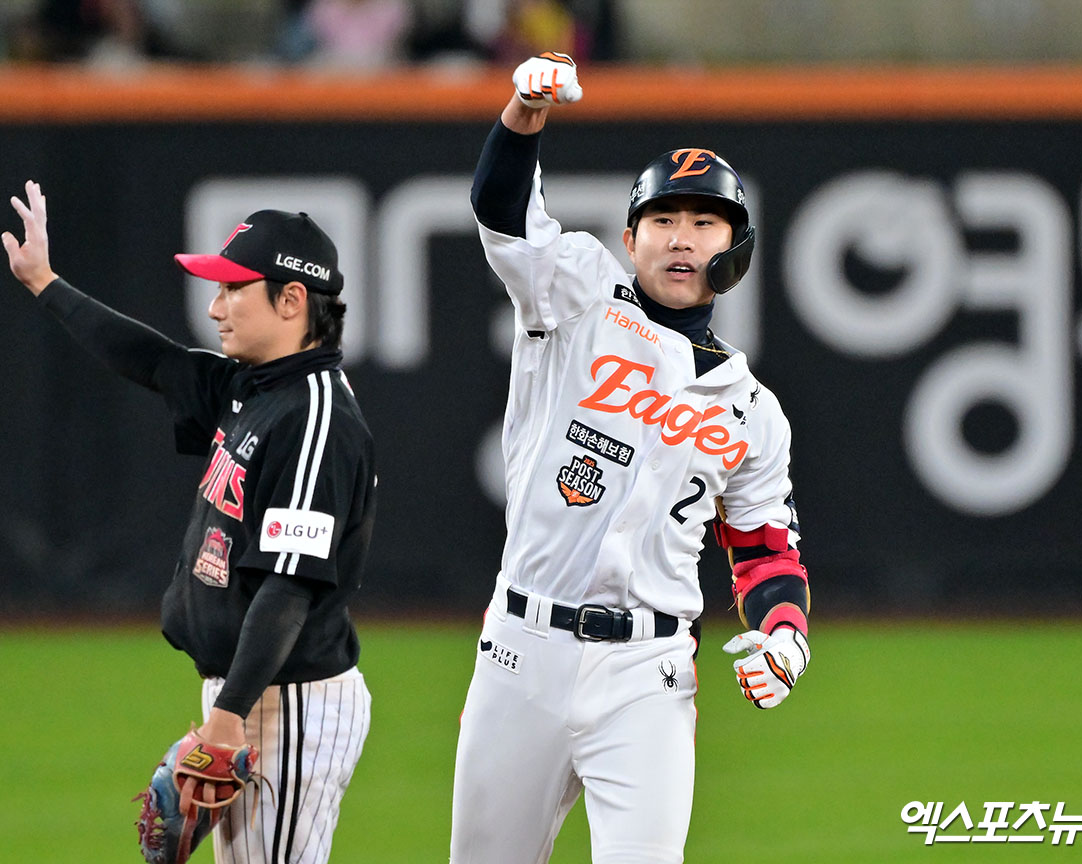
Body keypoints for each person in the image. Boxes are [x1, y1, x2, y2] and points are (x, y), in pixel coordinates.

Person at [449, 54, 812, 864]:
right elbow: (501, 210)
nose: (682, 239)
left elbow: (764, 551)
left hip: (647, 671)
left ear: (738, 246)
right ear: (630, 237)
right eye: (663, 219)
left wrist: (787, 633)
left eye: (705, 221)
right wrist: (523, 113)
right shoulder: (577, 295)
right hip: (523, 651)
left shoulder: (754, 412)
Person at [3, 182, 376, 864]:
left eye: (235, 288)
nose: (215, 307)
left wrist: (227, 720)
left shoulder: (316, 419)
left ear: (292, 300)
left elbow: (288, 587)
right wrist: (45, 282)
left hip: (283, 704)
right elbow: (153, 361)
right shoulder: (256, 383)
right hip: (249, 695)